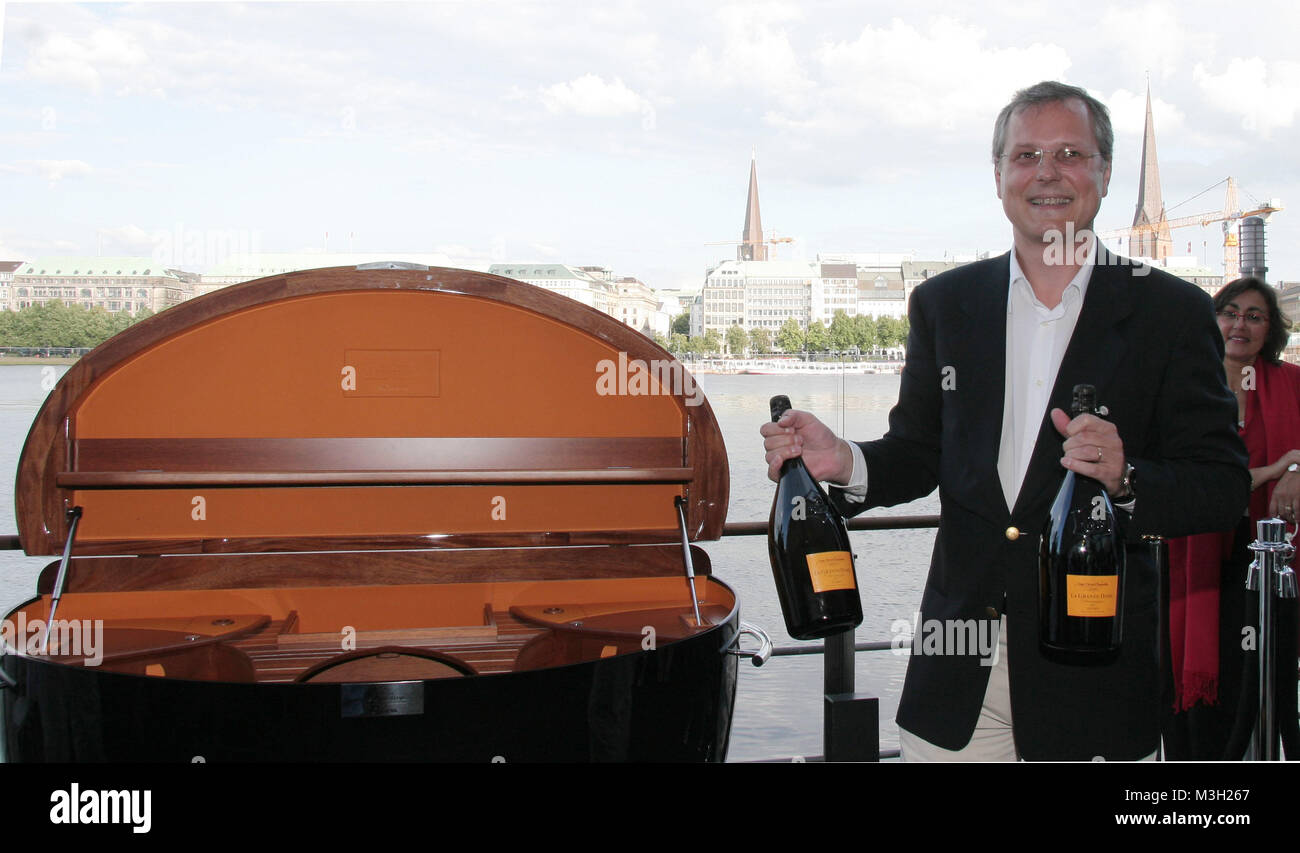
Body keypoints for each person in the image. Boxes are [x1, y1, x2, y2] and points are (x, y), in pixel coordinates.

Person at [761, 80, 1249, 761]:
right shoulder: (945, 304)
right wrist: (844, 460)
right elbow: (919, 451)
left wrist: (1128, 475)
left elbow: (1223, 487)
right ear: (998, 177)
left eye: (1071, 152)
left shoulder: (1170, 313)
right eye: (1025, 156)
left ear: (1104, 174)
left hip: (1096, 677)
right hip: (957, 677)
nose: (1046, 173)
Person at [1164, 277, 1300, 759]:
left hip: (1271, 561)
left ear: (1270, 330)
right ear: (1212, 321)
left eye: (1255, 315)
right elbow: (1190, 477)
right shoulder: (1182, 388)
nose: (1239, 323)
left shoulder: (1292, 384)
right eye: (1230, 312)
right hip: (1195, 556)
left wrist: (1297, 467)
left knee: (1266, 679)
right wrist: (1273, 470)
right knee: (1207, 690)